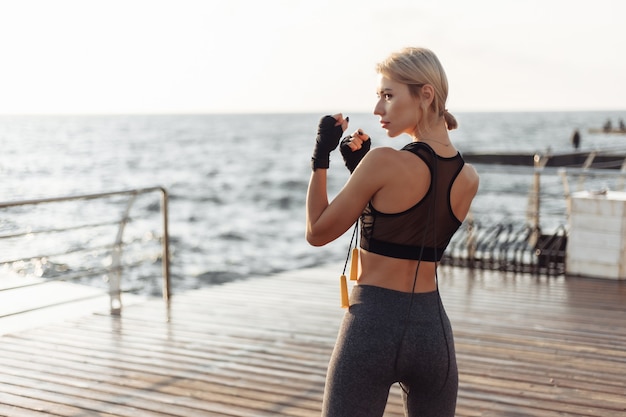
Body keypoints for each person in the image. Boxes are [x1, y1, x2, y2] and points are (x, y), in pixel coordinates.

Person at [305, 47, 479, 417]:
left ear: (426, 95)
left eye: (388, 95)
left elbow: (318, 231)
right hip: (433, 334)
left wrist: (321, 158)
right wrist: (362, 175)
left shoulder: (383, 161)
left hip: (372, 326)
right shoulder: (468, 178)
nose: (378, 108)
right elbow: (412, 226)